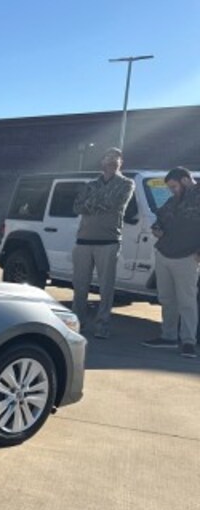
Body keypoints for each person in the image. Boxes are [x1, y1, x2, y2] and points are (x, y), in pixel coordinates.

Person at [72, 148, 135, 339]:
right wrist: (96, 203)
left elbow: (115, 204)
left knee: (106, 287)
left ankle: (102, 325)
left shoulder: (126, 184)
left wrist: (90, 204)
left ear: (121, 163)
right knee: (80, 286)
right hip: (83, 240)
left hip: (108, 241)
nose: (112, 161)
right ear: (102, 162)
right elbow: (76, 207)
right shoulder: (90, 184)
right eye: (108, 157)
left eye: (116, 158)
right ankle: (77, 323)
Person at [141, 167, 200, 358]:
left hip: (187, 257)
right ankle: (168, 336)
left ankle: (189, 341)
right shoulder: (172, 201)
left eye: (174, 186)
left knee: (187, 301)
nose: (172, 190)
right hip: (164, 253)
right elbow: (159, 219)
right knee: (167, 299)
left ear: (184, 180)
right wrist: (157, 228)